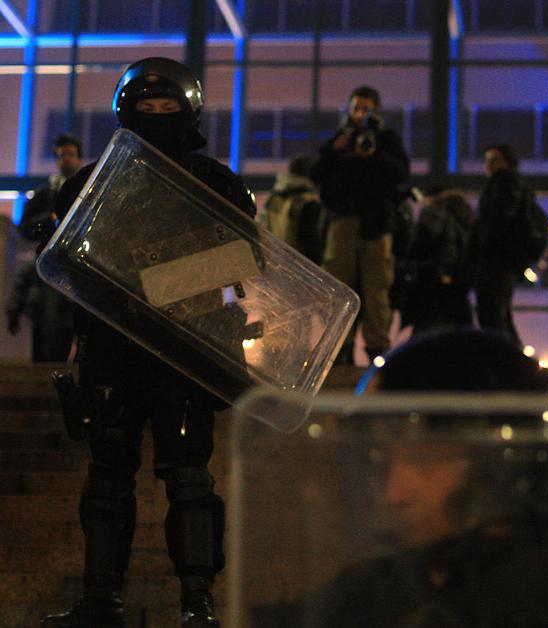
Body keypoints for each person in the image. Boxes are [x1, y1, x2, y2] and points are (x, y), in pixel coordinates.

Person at [41, 57, 256, 628]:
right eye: (146, 107)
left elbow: (246, 258)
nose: (157, 116)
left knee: (190, 480)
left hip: (186, 348)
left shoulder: (216, 182)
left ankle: (197, 603)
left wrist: (160, 284)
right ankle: (100, 601)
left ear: (189, 113)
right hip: (111, 347)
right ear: (125, 112)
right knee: (107, 478)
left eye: (167, 108)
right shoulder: (90, 181)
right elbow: (63, 262)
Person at [316, 328, 548, 627]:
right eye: (382, 462)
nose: (394, 493)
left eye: (423, 458)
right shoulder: (379, 589)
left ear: (506, 464)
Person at [310, 85, 410, 364]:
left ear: (377, 111)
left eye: (366, 109)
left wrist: (375, 154)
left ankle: (376, 349)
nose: (360, 114)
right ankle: (341, 347)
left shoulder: (386, 140)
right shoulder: (340, 139)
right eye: (357, 108)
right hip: (342, 219)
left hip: (376, 223)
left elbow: (401, 173)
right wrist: (335, 151)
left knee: (377, 287)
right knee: (339, 286)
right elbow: (316, 172)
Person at [5, 134, 83, 361]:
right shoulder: (46, 194)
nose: (65, 160)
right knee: (50, 323)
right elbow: (25, 228)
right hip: (52, 266)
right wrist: (50, 219)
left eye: (70, 154)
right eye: (61, 155)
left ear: (78, 158)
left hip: (74, 265)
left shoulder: (85, 190)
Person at [471, 144, 527, 346]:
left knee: (492, 313)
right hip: (504, 259)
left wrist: (482, 243)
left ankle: (504, 356)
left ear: (507, 162)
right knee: (499, 314)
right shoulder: (510, 183)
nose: (489, 164)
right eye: (487, 160)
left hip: (497, 258)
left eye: (494, 159)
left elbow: (498, 219)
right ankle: (511, 357)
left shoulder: (504, 183)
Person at [399, 189, 475, 334]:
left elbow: (423, 241)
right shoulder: (465, 218)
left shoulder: (434, 212)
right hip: (456, 280)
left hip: (431, 277)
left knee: (427, 327)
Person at [258, 154, 326, 264]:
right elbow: (310, 242)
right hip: (296, 264)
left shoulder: (274, 196)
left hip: (273, 260)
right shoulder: (307, 201)